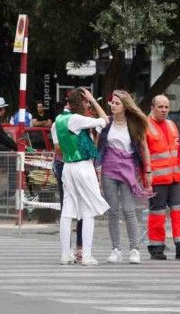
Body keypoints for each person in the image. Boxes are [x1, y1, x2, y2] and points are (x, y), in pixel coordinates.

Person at [97, 90, 153, 264]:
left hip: (128, 169)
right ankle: (116, 249)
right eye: (112, 103)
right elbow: (97, 145)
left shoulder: (135, 124)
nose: (113, 106)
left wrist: (148, 171)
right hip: (108, 168)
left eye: (117, 103)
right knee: (112, 211)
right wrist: (96, 167)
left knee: (129, 210)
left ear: (125, 106)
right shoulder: (106, 123)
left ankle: (134, 249)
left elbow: (144, 148)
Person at [55, 87, 109, 266]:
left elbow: (58, 147)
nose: (88, 105)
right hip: (83, 167)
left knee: (67, 210)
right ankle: (86, 255)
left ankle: (65, 254)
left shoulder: (58, 120)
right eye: (86, 102)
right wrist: (94, 100)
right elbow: (105, 120)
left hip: (67, 166)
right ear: (81, 101)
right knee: (88, 210)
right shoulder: (76, 119)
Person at [145, 95, 180, 260]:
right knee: (157, 214)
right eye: (160, 107)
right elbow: (142, 155)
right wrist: (145, 177)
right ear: (153, 107)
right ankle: (156, 248)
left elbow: (177, 153)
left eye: (166, 107)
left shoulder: (171, 125)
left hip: (174, 178)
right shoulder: (145, 127)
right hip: (157, 179)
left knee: (179, 212)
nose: (164, 110)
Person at [50, 99, 83, 261]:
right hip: (64, 165)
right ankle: (67, 249)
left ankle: (80, 247)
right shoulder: (59, 122)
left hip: (81, 166)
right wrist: (78, 150)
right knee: (67, 207)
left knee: (83, 207)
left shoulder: (82, 120)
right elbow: (57, 147)